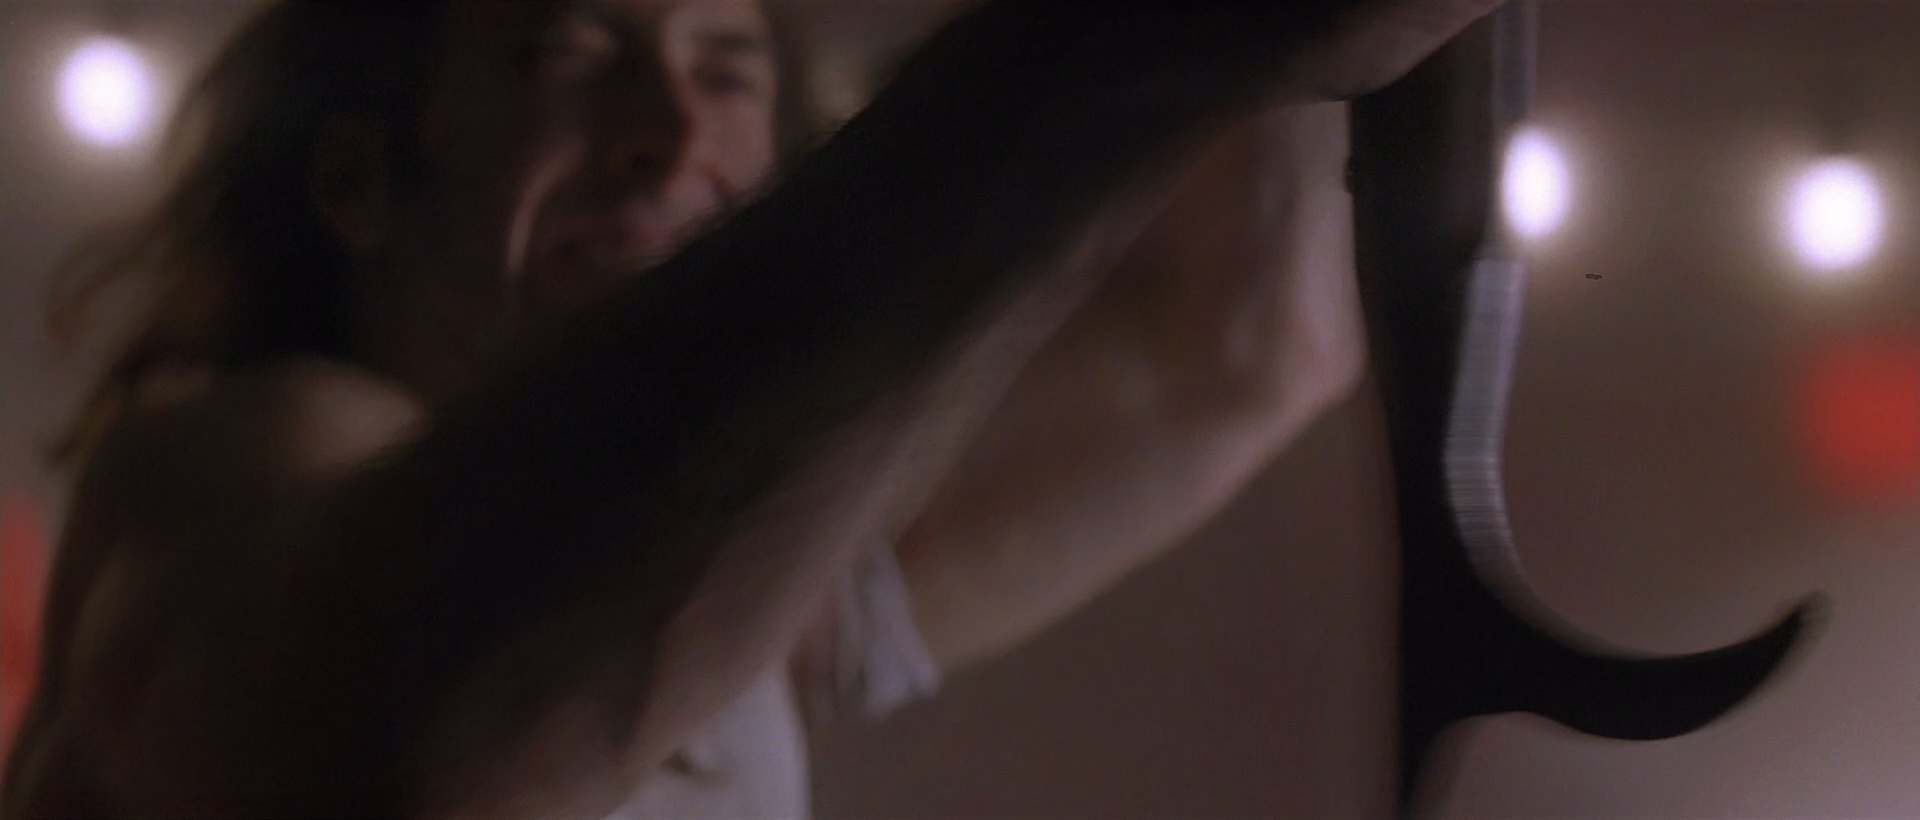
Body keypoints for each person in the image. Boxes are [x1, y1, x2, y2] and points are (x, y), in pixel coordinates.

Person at [1, 0, 1501, 817]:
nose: (672, 140)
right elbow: (406, 747)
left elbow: (1237, 347)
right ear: (356, 181)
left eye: (726, 74)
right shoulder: (213, 476)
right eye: (567, 57)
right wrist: (1113, 54)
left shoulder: (727, 579)